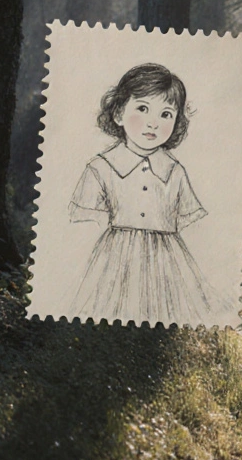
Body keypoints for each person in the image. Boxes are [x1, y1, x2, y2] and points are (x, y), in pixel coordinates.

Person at [68, 63, 217, 324]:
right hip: (114, 261)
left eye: (166, 114)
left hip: (167, 263)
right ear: (118, 113)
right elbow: (84, 222)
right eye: (142, 109)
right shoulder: (101, 168)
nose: (153, 123)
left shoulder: (174, 171)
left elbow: (191, 221)